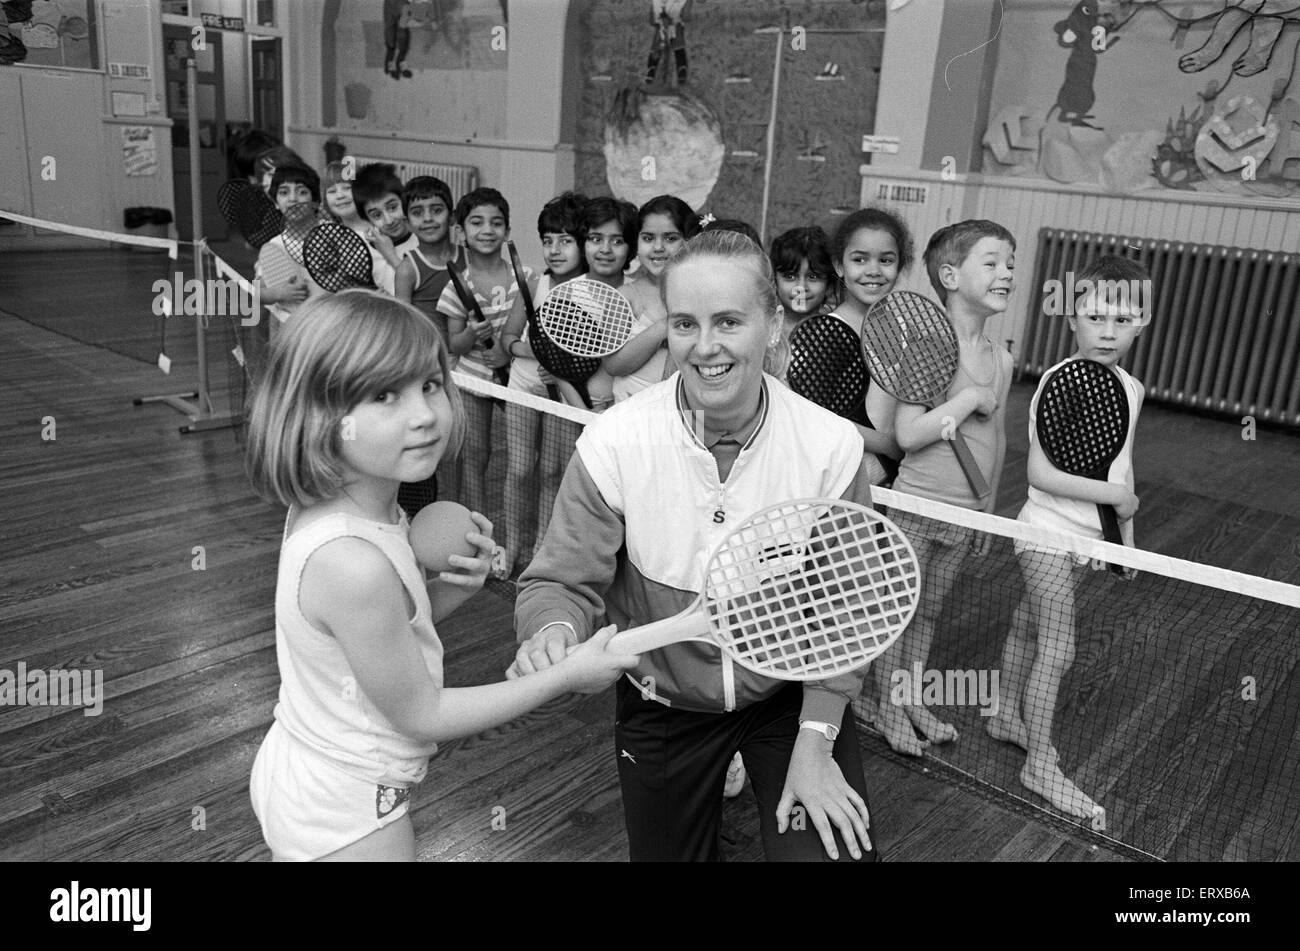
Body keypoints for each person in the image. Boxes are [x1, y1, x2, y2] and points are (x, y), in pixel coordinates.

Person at [511, 230, 882, 862]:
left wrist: (817, 739)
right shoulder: (616, 442)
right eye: (684, 322)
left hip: (784, 700)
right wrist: (551, 629)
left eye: (730, 321)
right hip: (664, 703)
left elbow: (848, 608)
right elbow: (558, 582)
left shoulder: (828, 446)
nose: (705, 347)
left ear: (773, 325)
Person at [244, 289, 636, 861]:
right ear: (319, 416)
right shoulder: (352, 563)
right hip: (348, 806)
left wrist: (452, 588)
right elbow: (422, 711)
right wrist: (564, 676)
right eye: (383, 395)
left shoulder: (353, 508)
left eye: (430, 384)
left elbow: (381, 635)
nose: (424, 414)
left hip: (308, 761)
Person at [988, 255, 1147, 823]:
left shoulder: (1131, 387)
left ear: (1141, 322)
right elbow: (1042, 475)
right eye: (1097, 316)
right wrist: (1116, 502)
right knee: (1061, 647)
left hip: (1090, 538)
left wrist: (1124, 540)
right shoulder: (1061, 382)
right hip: (1048, 532)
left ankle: (1006, 713)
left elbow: (1120, 467)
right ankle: (1040, 763)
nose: (1109, 330)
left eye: (1123, 319)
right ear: (1072, 318)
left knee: (1028, 625)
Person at [872, 219, 1016, 756]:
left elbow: (997, 439)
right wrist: (964, 401)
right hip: (914, 505)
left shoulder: (1001, 359)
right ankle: (887, 707)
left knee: (929, 611)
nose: (1006, 273)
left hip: (965, 512)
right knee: (896, 610)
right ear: (951, 276)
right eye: (993, 261)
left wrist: (988, 508)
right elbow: (907, 435)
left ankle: (910, 697)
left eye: (1010, 264)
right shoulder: (929, 348)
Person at [436, 187, 525, 552]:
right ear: (461, 232)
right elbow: (453, 345)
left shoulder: (526, 278)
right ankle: (477, 536)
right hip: (472, 382)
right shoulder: (458, 285)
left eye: (496, 223)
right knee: (476, 456)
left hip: (514, 382)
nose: (487, 230)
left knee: (520, 461)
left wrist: (506, 352)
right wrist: (471, 334)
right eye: (476, 222)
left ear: (506, 231)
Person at [824, 208, 909, 485]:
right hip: (847, 477)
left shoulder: (903, 326)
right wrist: (887, 445)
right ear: (840, 266)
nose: (873, 271)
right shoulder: (828, 332)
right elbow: (820, 419)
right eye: (860, 259)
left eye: (886, 260)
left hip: (894, 478)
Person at [603, 195, 700, 402]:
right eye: (648, 238)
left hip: (688, 411)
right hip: (632, 415)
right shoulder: (625, 296)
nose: (658, 247)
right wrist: (665, 326)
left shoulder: (700, 295)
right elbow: (613, 366)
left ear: (690, 242)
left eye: (670, 238)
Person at [352, 163, 418, 295]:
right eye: (377, 215)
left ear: (404, 200)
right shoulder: (363, 250)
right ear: (367, 219)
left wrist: (390, 255)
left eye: (393, 207)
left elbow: (424, 292)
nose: (389, 220)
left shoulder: (422, 240)